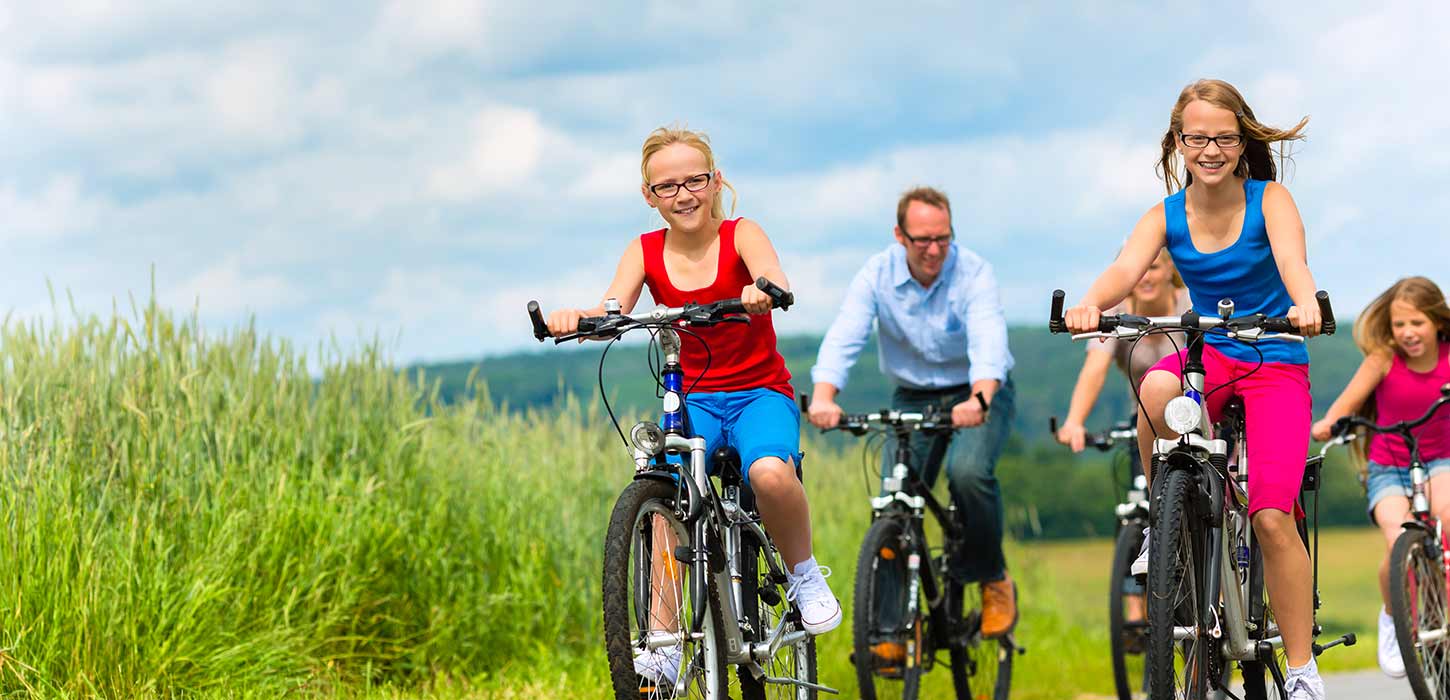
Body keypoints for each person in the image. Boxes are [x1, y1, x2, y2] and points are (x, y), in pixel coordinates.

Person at [543, 126, 841, 686]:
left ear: (715, 182)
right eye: (667, 186)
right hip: (692, 398)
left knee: (770, 474)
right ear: (649, 195)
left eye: (694, 181)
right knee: (667, 500)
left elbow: (772, 275)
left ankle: (803, 574)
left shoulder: (740, 233)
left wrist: (762, 290)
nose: (683, 195)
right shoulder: (644, 250)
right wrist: (578, 321)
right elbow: (613, 306)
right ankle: (662, 642)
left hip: (758, 394)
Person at [1062, 78, 1328, 697]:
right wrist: (1090, 305)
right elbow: (1126, 269)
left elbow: (1294, 264)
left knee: (1269, 517)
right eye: (1197, 137)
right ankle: (1167, 523)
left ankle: (1301, 670)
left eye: (1224, 138)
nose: (1210, 149)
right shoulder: (1165, 214)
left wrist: (1304, 301)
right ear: (1178, 142)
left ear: (1242, 142)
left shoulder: (1271, 201)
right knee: (1155, 391)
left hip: (1274, 360)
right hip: (1208, 358)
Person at [808, 186, 1018, 641]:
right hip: (914, 394)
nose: (934, 249)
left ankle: (992, 576)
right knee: (895, 495)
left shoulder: (974, 271)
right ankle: (888, 628)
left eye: (943, 238)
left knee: (967, 473)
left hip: (979, 390)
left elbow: (988, 340)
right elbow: (847, 333)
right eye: (922, 239)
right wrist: (823, 396)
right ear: (899, 235)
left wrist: (979, 399)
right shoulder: (876, 273)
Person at [1310, 276, 1450, 679]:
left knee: (1445, 519)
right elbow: (1345, 405)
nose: (1407, 334)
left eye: (1416, 324)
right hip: (1388, 467)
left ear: (1437, 321)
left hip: (1441, 461)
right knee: (1398, 537)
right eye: (1399, 325)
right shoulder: (1383, 360)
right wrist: (1330, 424)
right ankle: (1393, 616)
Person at [1055, 248, 1187, 644]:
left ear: (1170, 273)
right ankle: (1135, 606)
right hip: (1144, 421)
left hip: (1192, 413)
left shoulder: (1189, 303)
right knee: (1138, 504)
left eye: (1156, 266)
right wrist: (1075, 421)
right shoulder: (1116, 314)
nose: (1145, 276)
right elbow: (1094, 369)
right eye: (1139, 268)